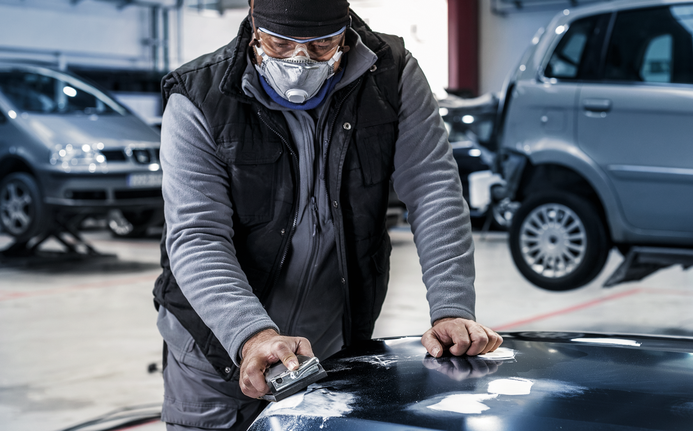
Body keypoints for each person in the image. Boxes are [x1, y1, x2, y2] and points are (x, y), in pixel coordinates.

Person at [153, 0, 503, 429]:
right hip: (216, 346)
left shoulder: (390, 76)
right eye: (280, 44)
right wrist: (251, 335)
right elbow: (198, 236)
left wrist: (451, 308)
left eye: (321, 46)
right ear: (252, 17)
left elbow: (433, 190)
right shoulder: (199, 97)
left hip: (331, 345)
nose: (299, 62)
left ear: (346, 28)